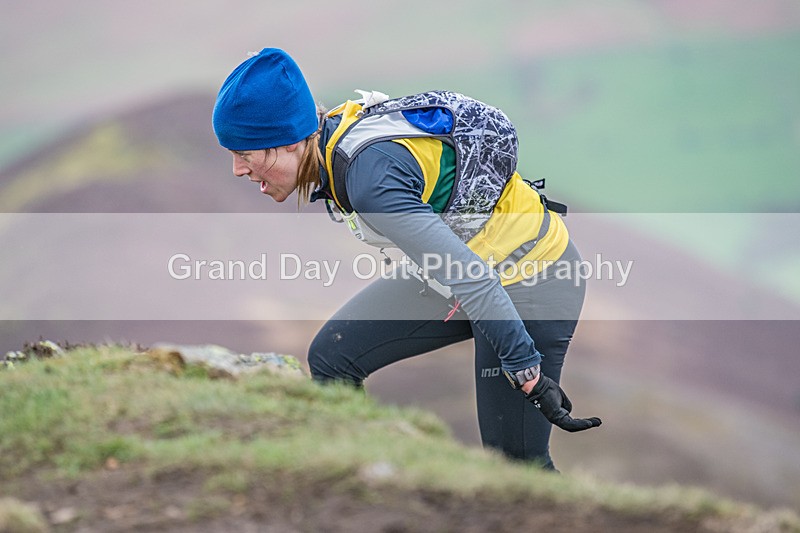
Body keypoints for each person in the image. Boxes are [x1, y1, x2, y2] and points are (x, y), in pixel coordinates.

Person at [212, 48, 601, 469]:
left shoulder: (369, 180)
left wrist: (524, 365)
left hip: (533, 278)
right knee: (332, 356)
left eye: (244, 153)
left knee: (518, 465)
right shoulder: (333, 139)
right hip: (472, 267)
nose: (237, 169)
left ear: (286, 141)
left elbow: (472, 280)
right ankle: (362, 479)